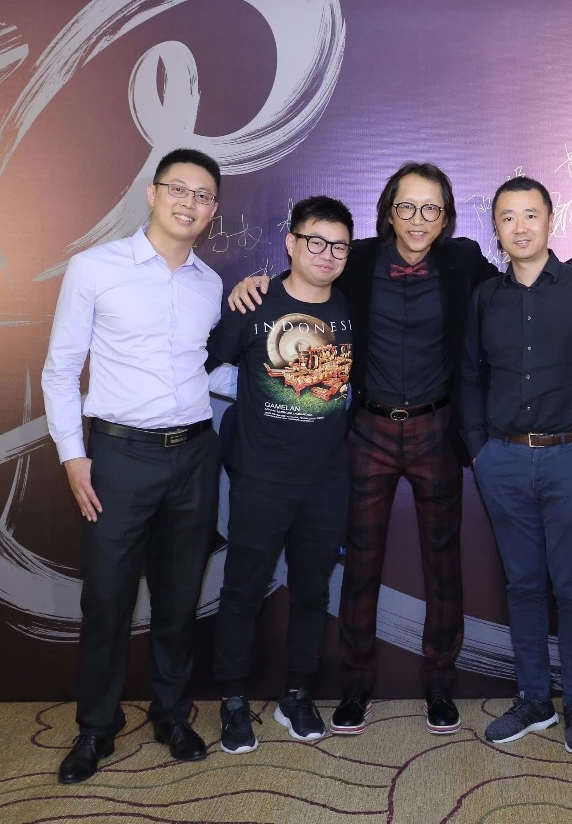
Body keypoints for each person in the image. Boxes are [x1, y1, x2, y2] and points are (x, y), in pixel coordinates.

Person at [226, 163, 572, 735]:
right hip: (369, 427)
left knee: (443, 566)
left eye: (431, 208)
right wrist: (254, 282)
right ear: (389, 211)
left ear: (446, 217)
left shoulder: (463, 261)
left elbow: (527, 274)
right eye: (406, 206)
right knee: (360, 565)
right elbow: (306, 273)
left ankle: (439, 686)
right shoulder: (357, 260)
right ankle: (355, 686)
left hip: (437, 428)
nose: (417, 219)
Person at [42, 148, 224, 784]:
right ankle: (96, 727)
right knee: (107, 598)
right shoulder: (95, 268)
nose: (190, 203)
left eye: (204, 195)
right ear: (152, 193)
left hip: (195, 454)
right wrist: (73, 455)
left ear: (213, 210)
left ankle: (171, 714)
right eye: (179, 189)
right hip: (118, 455)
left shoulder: (210, 285)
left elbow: (207, 368)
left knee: (180, 597)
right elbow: (61, 369)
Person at [461, 175, 572, 755]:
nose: (520, 227)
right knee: (524, 585)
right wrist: (479, 451)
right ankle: (534, 699)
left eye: (530, 215)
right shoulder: (485, 297)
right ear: (496, 228)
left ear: (550, 220)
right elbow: (469, 377)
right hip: (503, 461)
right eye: (508, 217)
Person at [207, 196, 355, 751]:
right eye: (315, 241)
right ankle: (233, 700)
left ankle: (297, 693)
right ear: (291, 243)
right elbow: (205, 365)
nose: (326, 253)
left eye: (338, 245)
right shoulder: (254, 302)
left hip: (326, 482)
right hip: (261, 480)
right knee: (242, 592)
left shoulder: (350, 308)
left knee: (313, 594)